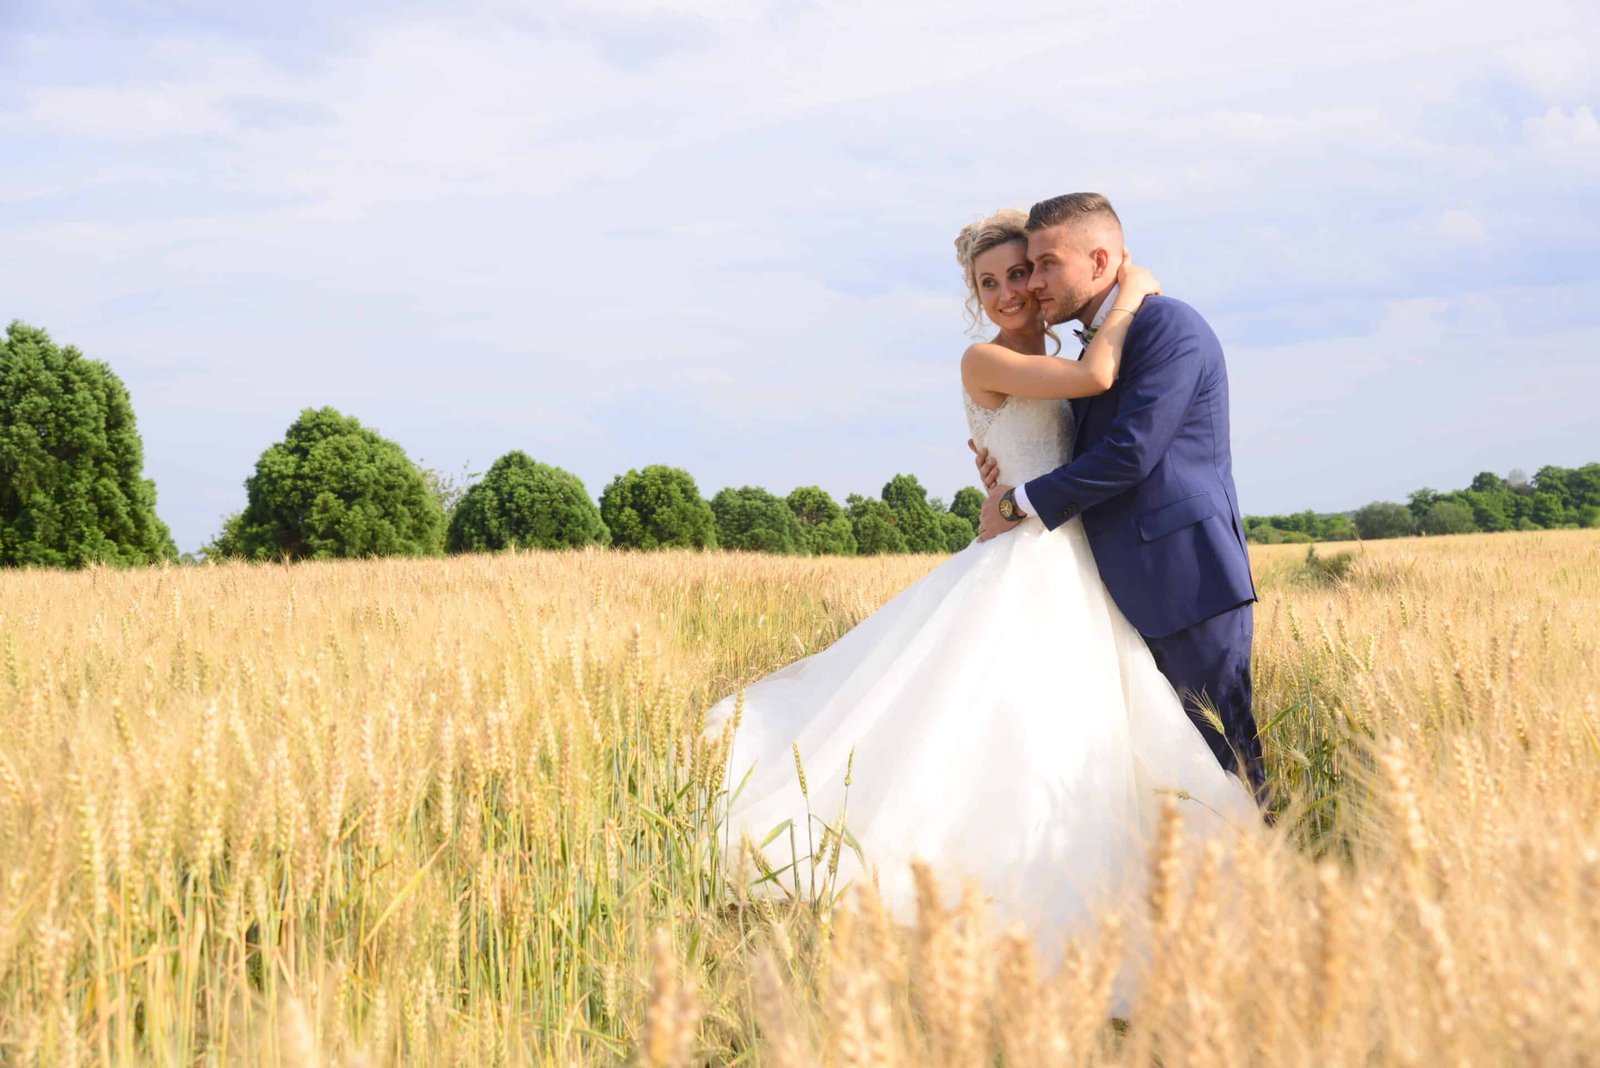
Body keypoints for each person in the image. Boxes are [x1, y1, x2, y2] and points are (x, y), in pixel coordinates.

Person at [706, 206, 1255, 948]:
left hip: (1084, 555)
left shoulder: (1094, 346)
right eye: (989, 282)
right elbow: (1096, 382)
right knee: (1003, 719)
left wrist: (1015, 482)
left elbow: (1097, 422)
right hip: (1032, 551)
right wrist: (1131, 293)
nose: (1009, 291)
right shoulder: (996, 357)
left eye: (1024, 271)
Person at [973, 193, 1264, 799]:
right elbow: (1079, 441)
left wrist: (1015, 500)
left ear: (1102, 259)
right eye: (1021, 270)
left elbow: (1131, 453)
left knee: (1222, 764)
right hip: (1108, 585)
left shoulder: (1166, 326)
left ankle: (1261, 884)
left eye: (1044, 265)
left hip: (1185, 578)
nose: (1033, 285)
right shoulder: (1093, 345)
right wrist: (1003, 461)